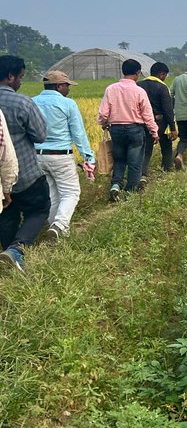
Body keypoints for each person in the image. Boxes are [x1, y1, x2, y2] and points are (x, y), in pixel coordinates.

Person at [0, 55, 50, 272]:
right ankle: (17, 249)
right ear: (10, 76)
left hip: (1, 183)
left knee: (6, 214)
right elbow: (40, 135)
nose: (20, 82)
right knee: (39, 209)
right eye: (19, 77)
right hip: (24, 173)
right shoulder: (21, 102)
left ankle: (10, 256)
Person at [32, 71, 95, 241]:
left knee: (52, 194)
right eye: (67, 86)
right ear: (58, 86)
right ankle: (59, 225)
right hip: (61, 156)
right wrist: (88, 157)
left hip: (37, 156)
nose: (68, 89)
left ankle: (60, 234)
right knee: (71, 192)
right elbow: (78, 133)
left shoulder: (32, 102)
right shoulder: (68, 104)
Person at [99, 58, 158, 201]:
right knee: (135, 162)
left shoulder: (111, 89)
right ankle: (130, 192)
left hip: (116, 130)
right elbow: (147, 114)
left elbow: (103, 113)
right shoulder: (139, 91)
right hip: (135, 129)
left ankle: (115, 186)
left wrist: (103, 123)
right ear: (137, 73)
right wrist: (154, 131)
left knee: (119, 159)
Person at [138, 62, 176, 181]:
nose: (165, 78)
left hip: (140, 122)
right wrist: (173, 128)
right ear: (161, 74)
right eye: (165, 75)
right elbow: (168, 110)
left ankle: (141, 172)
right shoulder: (162, 87)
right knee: (164, 143)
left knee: (144, 147)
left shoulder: (138, 85)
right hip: (159, 122)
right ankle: (166, 168)